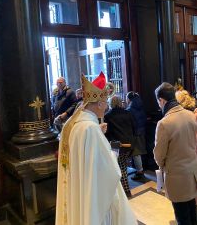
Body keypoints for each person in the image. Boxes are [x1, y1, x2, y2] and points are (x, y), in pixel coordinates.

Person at [55, 72, 136, 225]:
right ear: (99, 103)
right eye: (105, 102)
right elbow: (108, 170)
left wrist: (98, 131)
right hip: (93, 196)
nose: (106, 106)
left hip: (80, 189)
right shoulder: (90, 129)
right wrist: (113, 151)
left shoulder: (76, 125)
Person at [154, 82, 197, 225]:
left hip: (176, 175)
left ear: (162, 100)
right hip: (192, 172)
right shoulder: (190, 115)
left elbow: (159, 155)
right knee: (192, 212)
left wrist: (162, 165)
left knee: (182, 217)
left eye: (158, 102)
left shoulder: (164, 123)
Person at [176, 90, 197, 205]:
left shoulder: (182, 116)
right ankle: (196, 204)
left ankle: (190, 206)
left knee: (188, 180)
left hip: (188, 151)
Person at [104, 95, 136, 197]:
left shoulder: (108, 116)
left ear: (110, 103)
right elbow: (134, 128)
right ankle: (122, 190)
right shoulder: (128, 113)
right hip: (128, 143)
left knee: (119, 168)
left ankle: (125, 191)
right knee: (122, 166)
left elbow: (107, 132)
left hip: (116, 144)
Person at [126, 91, 147, 181]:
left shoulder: (130, 110)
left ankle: (140, 172)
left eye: (126, 98)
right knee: (138, 153)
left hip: (135, 133)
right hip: (142, 131)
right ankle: (140, 170)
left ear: (129, 99)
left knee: (136, 153)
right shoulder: (140, 107)